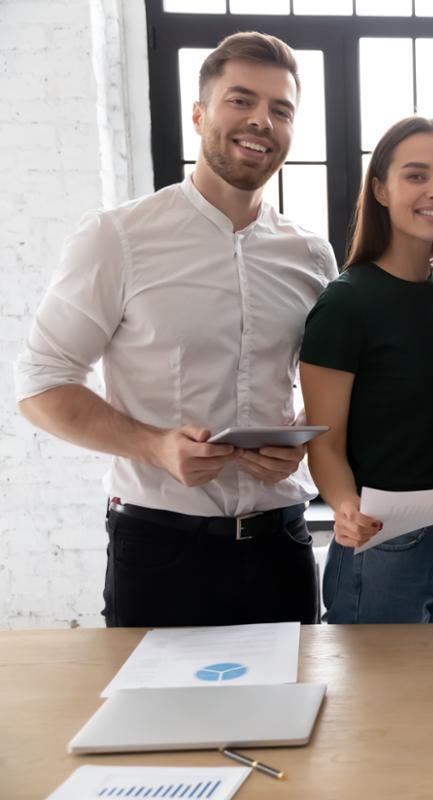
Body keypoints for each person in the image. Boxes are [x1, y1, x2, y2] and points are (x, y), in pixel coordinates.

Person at [14, 32, 336, 627]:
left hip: (282, 545)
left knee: (290, 719)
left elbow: (319, 389)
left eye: (281, 109)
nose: (261, 120)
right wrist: (154, 446)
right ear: (199, 114)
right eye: (241, 100)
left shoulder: (313, 256)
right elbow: (40, 385)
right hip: (160, 549)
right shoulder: (118, 237)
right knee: (155, 722)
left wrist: (295, 441)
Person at [299, 117, 433, 624]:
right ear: (380, 189)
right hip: (381, 545)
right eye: (416, 176)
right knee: (375, 703)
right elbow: (324, 442)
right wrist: (343, 507)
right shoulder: (346, 304)